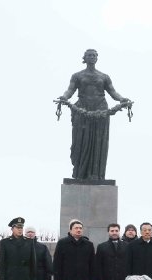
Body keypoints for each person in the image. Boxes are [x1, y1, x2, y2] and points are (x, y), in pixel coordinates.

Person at [57, 49, 131, 181]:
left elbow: (113, 92)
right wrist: (64, 97)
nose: (92, 57)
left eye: (94, 55)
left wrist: (122, 99)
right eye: (89, 55)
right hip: (82, 109)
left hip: (100, 109)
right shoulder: (77, 75)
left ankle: (96, 174)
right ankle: (80, 173)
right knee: (80, 141)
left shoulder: (104, 76)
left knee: (98, 142)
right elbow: (70, 90)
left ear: (97, 58)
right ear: (84, 58)